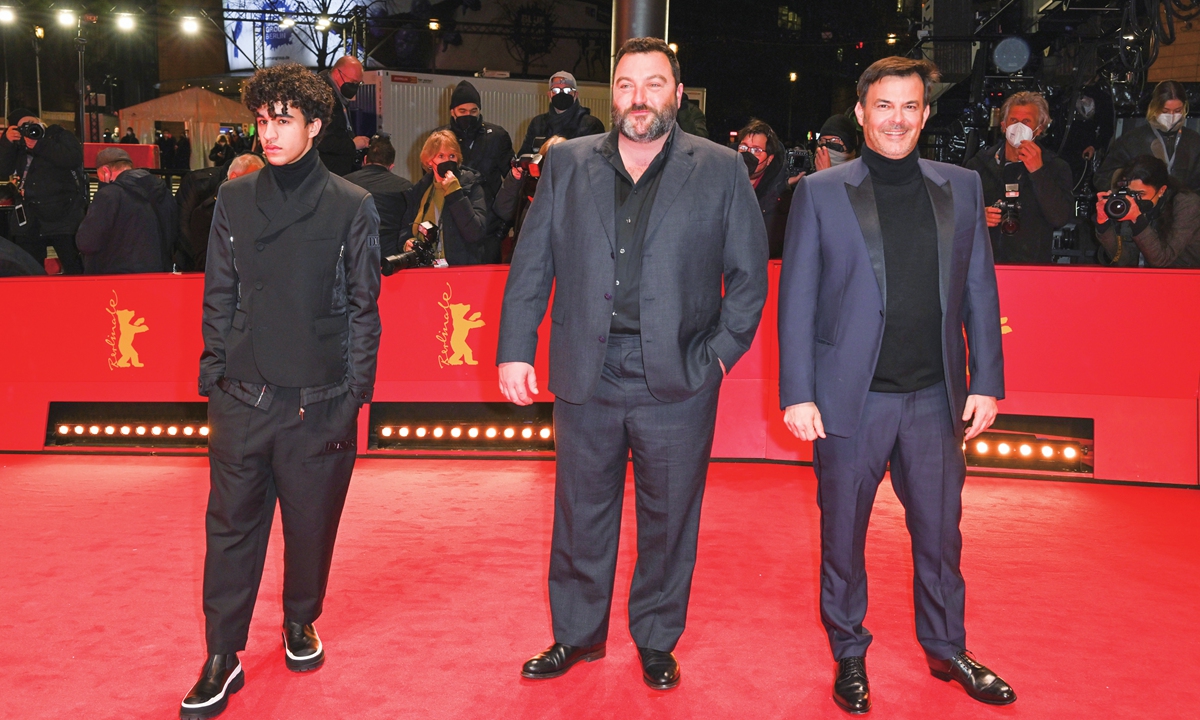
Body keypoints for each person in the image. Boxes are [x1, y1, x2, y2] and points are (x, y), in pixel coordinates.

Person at [498, 37, 767, 691]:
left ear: (677, 93)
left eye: (653, 84)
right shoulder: (565, 166)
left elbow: (749, 280)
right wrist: (513, 348)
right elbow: (532, 265)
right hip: (585, 372)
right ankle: (578, 635)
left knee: (669, 517)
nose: (638, 97)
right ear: (611, 95)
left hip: (679, 375)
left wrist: (717, 361)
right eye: (625, 85)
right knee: (579, 513)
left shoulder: (720, 169)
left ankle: (655, 638)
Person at [778, 56, 1015, 714]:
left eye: (910, 106)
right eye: (884, 105)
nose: (897, 119)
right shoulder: (821, 193)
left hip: (934, 401)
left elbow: (978, 289)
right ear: (860, 113)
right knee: (844, 535)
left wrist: (986, 380)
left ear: (926, 114)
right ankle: (849, 653)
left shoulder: (961, 186)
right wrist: (798, 392)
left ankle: (948, 648)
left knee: (942, 535)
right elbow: (796, 300)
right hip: (850, 402)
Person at [181, 62, 381, 720]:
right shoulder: (235, 200)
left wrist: (353, 396)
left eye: (282, 121)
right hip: (241, 396)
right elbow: (219, 292)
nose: (267, 133)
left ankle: (301, 620)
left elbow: (362, 308)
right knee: (230, 529)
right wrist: (214, 374)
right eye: (262, 121)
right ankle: (221, 654)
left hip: (319, 399)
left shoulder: (352, 205)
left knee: (310, 526)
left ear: (315, 126)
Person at [965, 91, 1075, 264]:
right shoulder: (978, 165)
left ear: (1039, 128)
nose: (1018, 127)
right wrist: (978, 217)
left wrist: (1038, 171)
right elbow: (956, 215)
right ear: (1003, 125)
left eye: (1026, 122)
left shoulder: (1056, 167)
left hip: (1031, 268)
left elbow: (1059, 218)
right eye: (1013, 121)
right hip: (984, 265)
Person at [0, 108, 86, 274]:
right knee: (30, 270)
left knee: (74, 267)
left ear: (40, 121)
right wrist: (7, 142)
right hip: (30, 219)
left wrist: (40, 145)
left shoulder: (58, 135)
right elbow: (3, 170)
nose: (30, 129)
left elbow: (73, 158)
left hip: (63, 216)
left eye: (32, 123)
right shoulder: (18, 146)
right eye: (23, 127)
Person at [75, 147, 177, 274]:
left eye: (99, 175)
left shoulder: (109, 195)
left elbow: (87, 242)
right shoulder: (164, 192)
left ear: (106, 171)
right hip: (158, 273)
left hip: (115, 278)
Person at [398, 129, 492, 264]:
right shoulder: (420, 191)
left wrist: (455, 193)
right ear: (430, 161)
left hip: (460, 268)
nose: (447, 161)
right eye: (441, 156)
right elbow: (406, 229)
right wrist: (408, 242)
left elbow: (475, 233)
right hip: (426, 268)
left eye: (452, 156)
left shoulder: (471, 186)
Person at [1095, 154, 1200, 268]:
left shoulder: (1187, 204)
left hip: (1187, 278)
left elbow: (1161, 260)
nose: (1134, 199)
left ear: (1161, 190)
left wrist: (1138, 220)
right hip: (1148, 279)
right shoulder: (1131, 203)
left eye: (1140, 194)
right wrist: (1103, 224)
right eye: (1130, 193)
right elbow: (1124, 260)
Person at [1096, 80, 1200, 192]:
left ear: (1184, 108)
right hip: (1142, 203)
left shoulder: (1194, 140)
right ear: (1154, 107)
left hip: (1182, 205)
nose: (1172, 116)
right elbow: (1101, 178)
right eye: (1165, 111)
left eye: (1177, 110)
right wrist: (1130, 186)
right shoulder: (1132, 139)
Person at [176, 153, 265, 272]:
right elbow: (206, 261)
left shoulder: (263, 207)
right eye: (253, 181)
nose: (257, 187)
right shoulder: (207, 213)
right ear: (234, 177)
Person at [434, 80, 513, 208]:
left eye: (473, 111)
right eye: (462, 111)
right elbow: (430, 178)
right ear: (452, 112)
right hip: (451, 208)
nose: (468, 115)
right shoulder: (440, 138)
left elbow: (511, 178)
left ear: (479, 110)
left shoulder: (497, 136)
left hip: (490, 213)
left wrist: (505, 213)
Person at [492, 135, 565, 261]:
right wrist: (514, 180)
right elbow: (503, 210)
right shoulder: (530, 186)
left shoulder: (576, 189)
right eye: (547, 161)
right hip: (526, 257)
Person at [344, 135, 413, 261]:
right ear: (391, 166)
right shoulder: (405, 187)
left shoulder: (344, 183)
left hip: (352, 258)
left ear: (364, 160)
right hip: (390, 260)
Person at [736, 119, 793, 258]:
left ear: (769, 159)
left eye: (756, 150)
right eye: (743, 147)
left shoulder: (781, 196)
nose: (748, 154)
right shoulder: (721, 182)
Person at [517, 71, 606, 156]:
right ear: (549, 95)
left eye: (567, 90)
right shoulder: (538, 123)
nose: (562, 93)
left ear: (575, 94)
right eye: (556, 90)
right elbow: (524, 156)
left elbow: (593, 162)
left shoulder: (591, 125)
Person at [318, 55, 371, 176]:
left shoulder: (337, 94)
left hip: (335, 172)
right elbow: (322, 140)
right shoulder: (322, 97)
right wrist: (353, 145)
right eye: (353, 82)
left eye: (359, 83)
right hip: (327, 173)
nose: (355, 87)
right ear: (337, 74)